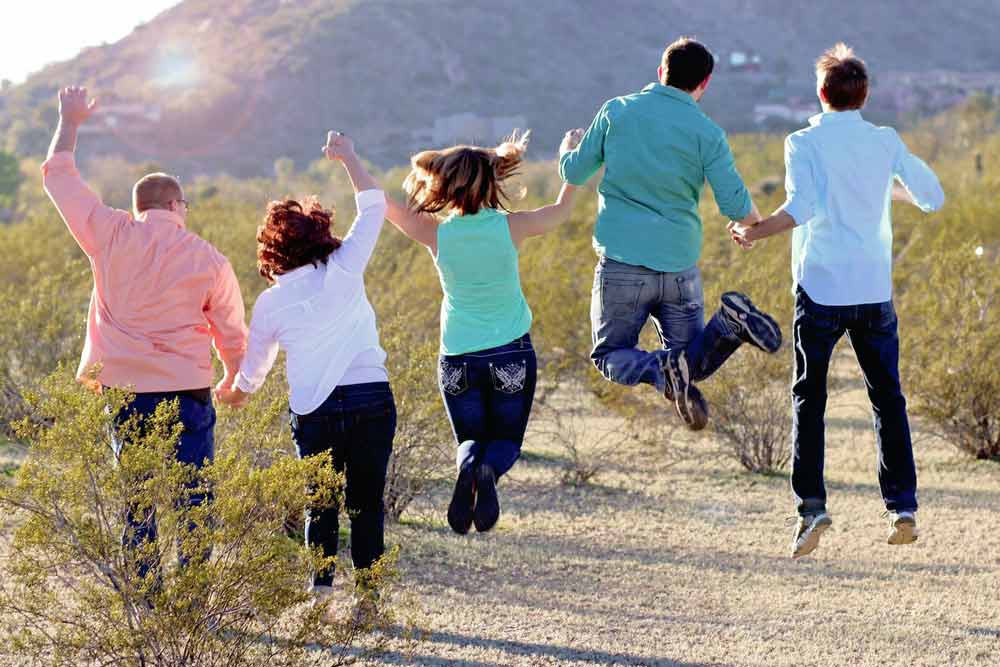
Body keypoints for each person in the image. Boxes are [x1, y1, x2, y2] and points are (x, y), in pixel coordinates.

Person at [728, 44, 945, 557]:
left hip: (821, 287)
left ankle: (812, 508)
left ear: (821, 93)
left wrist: (753, 233)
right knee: (887, 398)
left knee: (810, 398)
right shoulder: (885, 140)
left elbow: (803, 207)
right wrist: (880, 188)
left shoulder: (802, 141)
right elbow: (932, 197)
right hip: (873, 290)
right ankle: (903, 506)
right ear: (863, 93)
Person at [41, 87, 248, 581]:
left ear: (138, 206)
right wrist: (233, 376)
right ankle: (194, 594)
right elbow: (231, 328)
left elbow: (57, 177)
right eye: (186, 203)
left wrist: (69, 120)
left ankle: (146, 590)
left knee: (138, 498)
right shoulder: (208, 257)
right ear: (175, 204)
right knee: (194, 494)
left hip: (126, 389)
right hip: (187, 388)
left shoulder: (108, 233)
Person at [559, 37, 782, 431]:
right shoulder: (707, 132)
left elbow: (574, 172)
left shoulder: (617, 111)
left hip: (623, 264)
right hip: (679, 266)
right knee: (689, 363)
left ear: (661, 71)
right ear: (705, 83)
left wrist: (566, 149)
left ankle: (660, 368)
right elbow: (734, 201)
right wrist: (752, 225)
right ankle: (729, 324)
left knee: (610, 355)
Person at [215, 132, 393, 610]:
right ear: (320, 233)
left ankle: (319, 594)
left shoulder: (272, 302)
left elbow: (253, 372)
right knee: (367, 504)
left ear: (272, 251)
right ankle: (369, 598)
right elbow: (374, 205)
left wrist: (232, 392)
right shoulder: (344, 266)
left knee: (321, 502)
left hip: (314, 411)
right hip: (371, 398)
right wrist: (349, 156)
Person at [382, 129, 581, 534]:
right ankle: (488, 470)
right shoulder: (512, 227)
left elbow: (381, 204)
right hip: (510, 352)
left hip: (457, 357)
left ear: (444, 183)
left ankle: (471, 465)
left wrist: (349, 158)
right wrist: (570, 159)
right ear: (492, 180)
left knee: (468, 440)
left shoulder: (436, 234)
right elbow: (562, 210)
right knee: (506, 442)